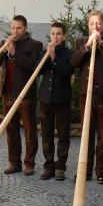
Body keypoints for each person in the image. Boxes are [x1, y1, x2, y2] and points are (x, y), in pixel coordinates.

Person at [70, 10, 103, 184]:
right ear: (88, 25)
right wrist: (87, 46)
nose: (95, 26)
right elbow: (74, 62)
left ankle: (101, 171)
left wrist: (101, 44)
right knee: (86, 134)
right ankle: (85, 170)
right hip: (87, 94)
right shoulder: (81, 41)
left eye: (98, 23)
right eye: (92, 23)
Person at [0, 15, 42, 175]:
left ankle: (29, 163)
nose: (15, 31)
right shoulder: (5, 43)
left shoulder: (35, 45)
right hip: (8, 93)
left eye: (19, 28)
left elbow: (31, 67)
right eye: (13, 28)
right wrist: (5, 49)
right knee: (11, 130)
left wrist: (13, 52)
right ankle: (14, 162)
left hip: (25, 94)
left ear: (25, 28)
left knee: (29, 130)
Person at [39, 22, 73, 181]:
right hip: (46, 99)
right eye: (53, 33)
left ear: (64, 36)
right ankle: (48, 165)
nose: (55, 37)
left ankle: (60, 166)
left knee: (63, 135)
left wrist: (54, 58)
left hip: (62, 99)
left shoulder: (68, 54)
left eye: (58, 34)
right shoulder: (43, 52)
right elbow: (38, 70)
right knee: (46, 135)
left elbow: (67, 72)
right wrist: (47, 55)